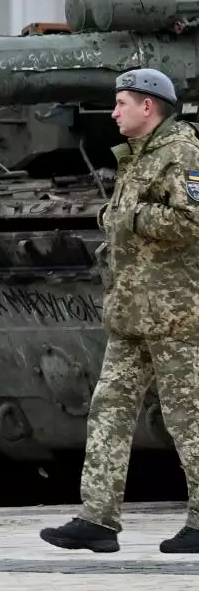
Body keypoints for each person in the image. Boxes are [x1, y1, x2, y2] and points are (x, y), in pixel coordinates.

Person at [41, 68, 199, 554]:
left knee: (188, 418)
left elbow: (192, 220)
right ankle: (98, 520)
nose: (113, 113)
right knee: (108, 410)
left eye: (121, 103)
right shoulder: (139, 155)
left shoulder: (182, 152)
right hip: (133, 312)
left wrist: (130, 216)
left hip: (176, 314)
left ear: (148, 107)